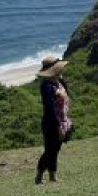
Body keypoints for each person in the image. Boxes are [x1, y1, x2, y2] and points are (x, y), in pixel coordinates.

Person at [35, 56, 70, 185]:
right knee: (50, 150)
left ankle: (52, 176)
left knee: (55, 150)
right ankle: (40, 176)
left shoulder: (59, 82)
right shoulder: (47, 86)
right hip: (52, 123)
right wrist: (58, 126)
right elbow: (50, 108)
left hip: (61, 120)